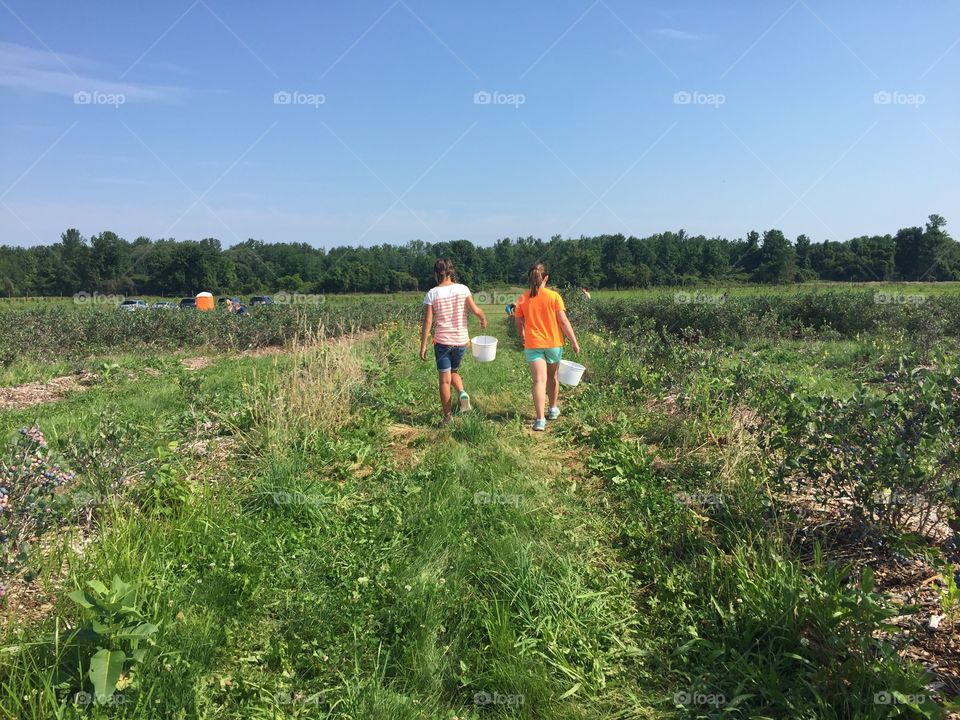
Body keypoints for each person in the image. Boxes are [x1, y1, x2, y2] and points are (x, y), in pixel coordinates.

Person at [419, 259, 487, 425]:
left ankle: (447, 417)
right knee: (454, 371)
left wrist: (422, 345)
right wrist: (483, 318)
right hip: (460, 341)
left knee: (444, 380)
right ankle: (462, 392)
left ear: (436, 273)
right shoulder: (462, 289)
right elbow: (475, 309)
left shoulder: (432, 293)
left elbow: (428, 321)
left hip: (442, 342)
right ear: (452, 272)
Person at [514, 263, 580, 431]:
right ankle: (552, 409)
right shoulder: (554, 296)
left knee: (538, 380)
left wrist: (522, 336)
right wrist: (573, 341)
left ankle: (540, 420)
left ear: (530, 278)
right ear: (546, 278)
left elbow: (518, 321)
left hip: (533, 344)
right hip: (553, 344)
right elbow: (563, 321)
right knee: (553, 378)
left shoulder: (523, 298)